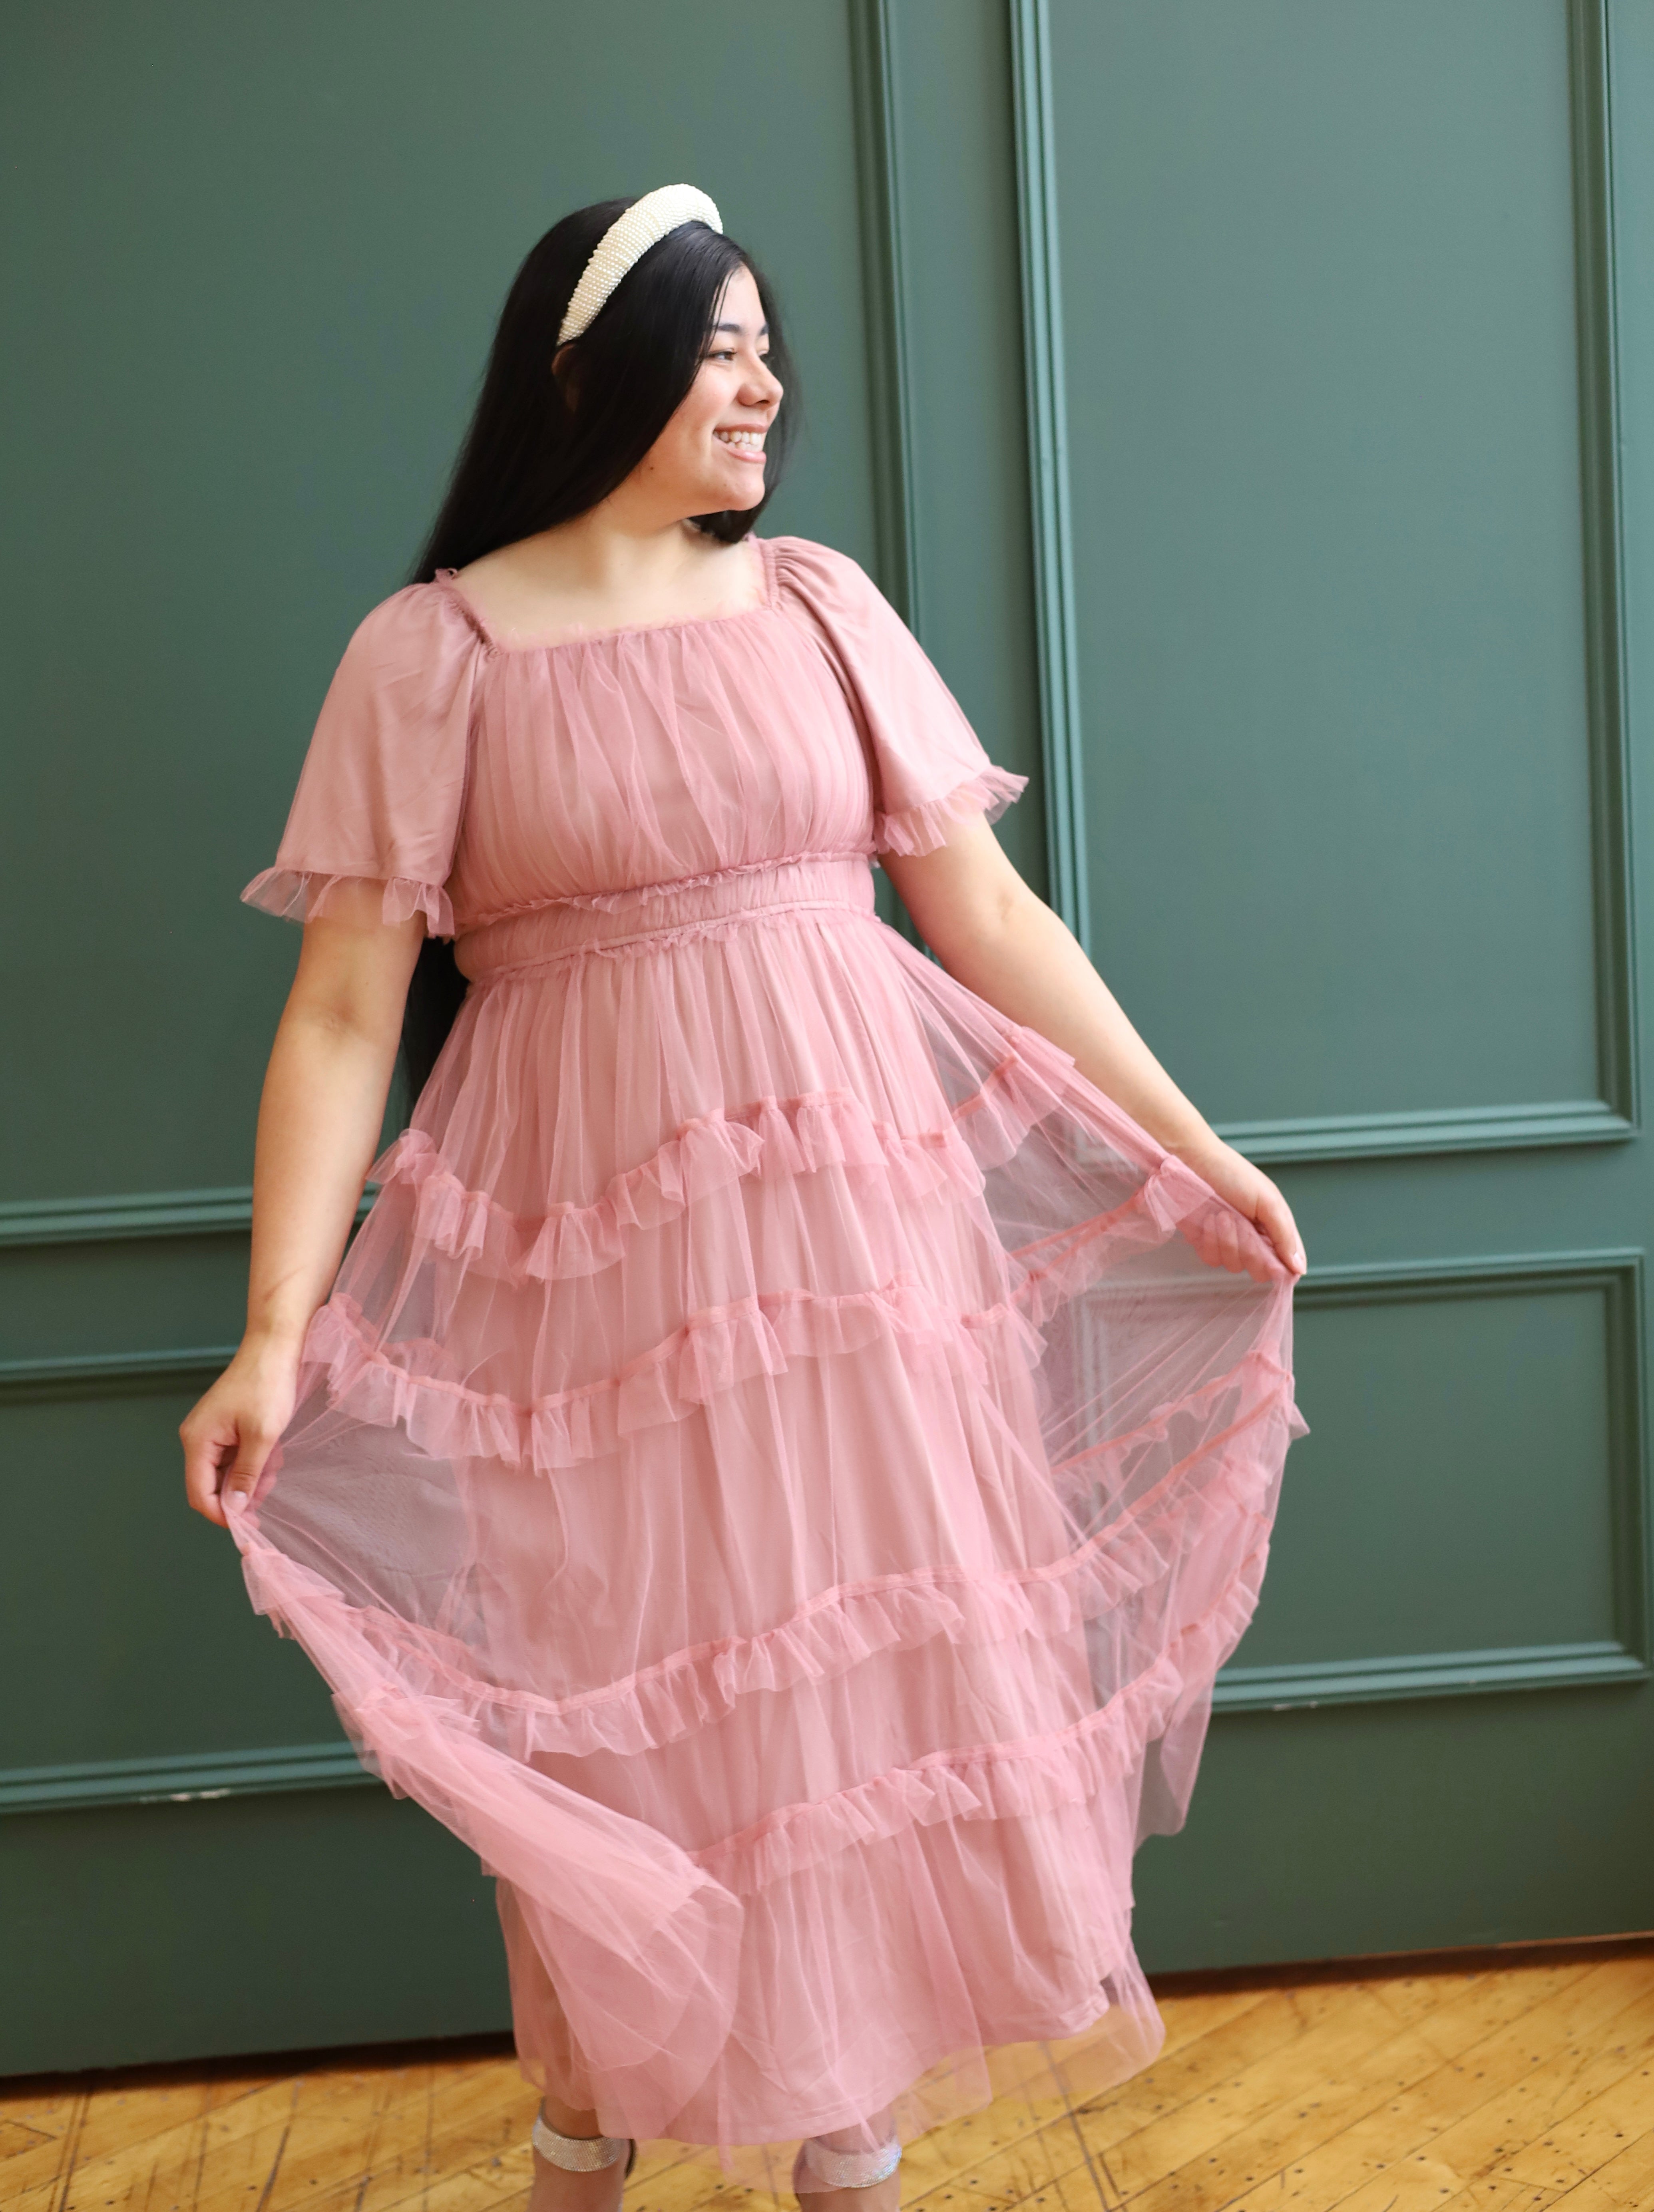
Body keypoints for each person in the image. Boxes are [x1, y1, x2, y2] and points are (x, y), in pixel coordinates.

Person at [182, 187, 1306, 2211]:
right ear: (583, 374)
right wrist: (274, 1331)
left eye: (766, 349)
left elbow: (983, 913)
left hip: (860, 1249)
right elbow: (343, 1013)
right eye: (718, 351)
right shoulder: (430, 655)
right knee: (619, 1686)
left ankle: (846, 2135)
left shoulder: (816, 605)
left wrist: (1190, 1143)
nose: (763, 384)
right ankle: (590, 2116)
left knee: (854, 1670)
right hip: (581, 1262)